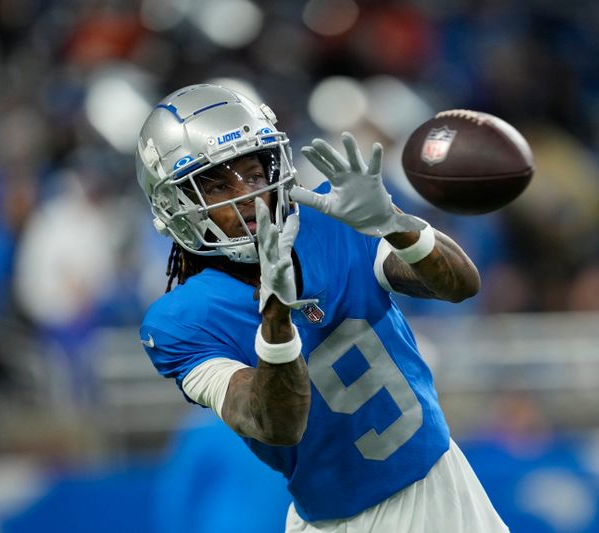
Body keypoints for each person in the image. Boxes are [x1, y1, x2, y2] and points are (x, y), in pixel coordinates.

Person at [136, 83, 508, 532]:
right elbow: (275, 424)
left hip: (443, 487)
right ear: (177, 205)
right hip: (338, 523)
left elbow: (459, 285)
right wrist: (275, 319)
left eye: (254, 175)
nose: (249, 196)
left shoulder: (331, 221)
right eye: (216, 185)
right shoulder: (180, 321)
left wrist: (395, 224)